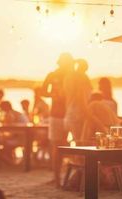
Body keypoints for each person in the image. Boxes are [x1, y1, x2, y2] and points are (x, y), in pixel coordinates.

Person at [41, 52, 74, 187]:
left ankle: (62, 177)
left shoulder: (72, 76)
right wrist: (54, 94)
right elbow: (42, 91)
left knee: (63, 145)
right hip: (57, 114)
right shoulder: (53, 75)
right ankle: (56, 178)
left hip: (68, 113)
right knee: (56, 147)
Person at [63, 58, 92, 142]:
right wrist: (88, 115)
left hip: (70, 114)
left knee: (77, 141)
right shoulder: (81, 78)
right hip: (78, 115)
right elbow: (81, 98)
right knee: (80, 142)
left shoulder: (68, 77)